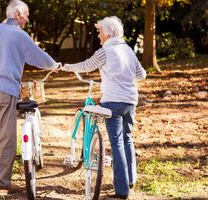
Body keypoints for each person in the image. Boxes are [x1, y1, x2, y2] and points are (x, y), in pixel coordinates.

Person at [0, 0, 60, 195]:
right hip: (6, 91)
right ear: (18, 14)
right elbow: (38, 56)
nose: (28, 19)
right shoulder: (20, 36)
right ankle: (2, 184)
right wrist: (54, 65)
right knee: (7, 138)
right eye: (27, 14)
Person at [61, 16, 146, 199]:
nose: (98, 35)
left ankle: (122, 191)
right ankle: (130, 179)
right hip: (130, 101)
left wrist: (68, 67)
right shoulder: (128, 50)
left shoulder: (105, 51)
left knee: (116, 143)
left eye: (99, 32)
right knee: (127, 139)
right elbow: (142, 74)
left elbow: (86, 66)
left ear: (108, 33)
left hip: (113, 102)